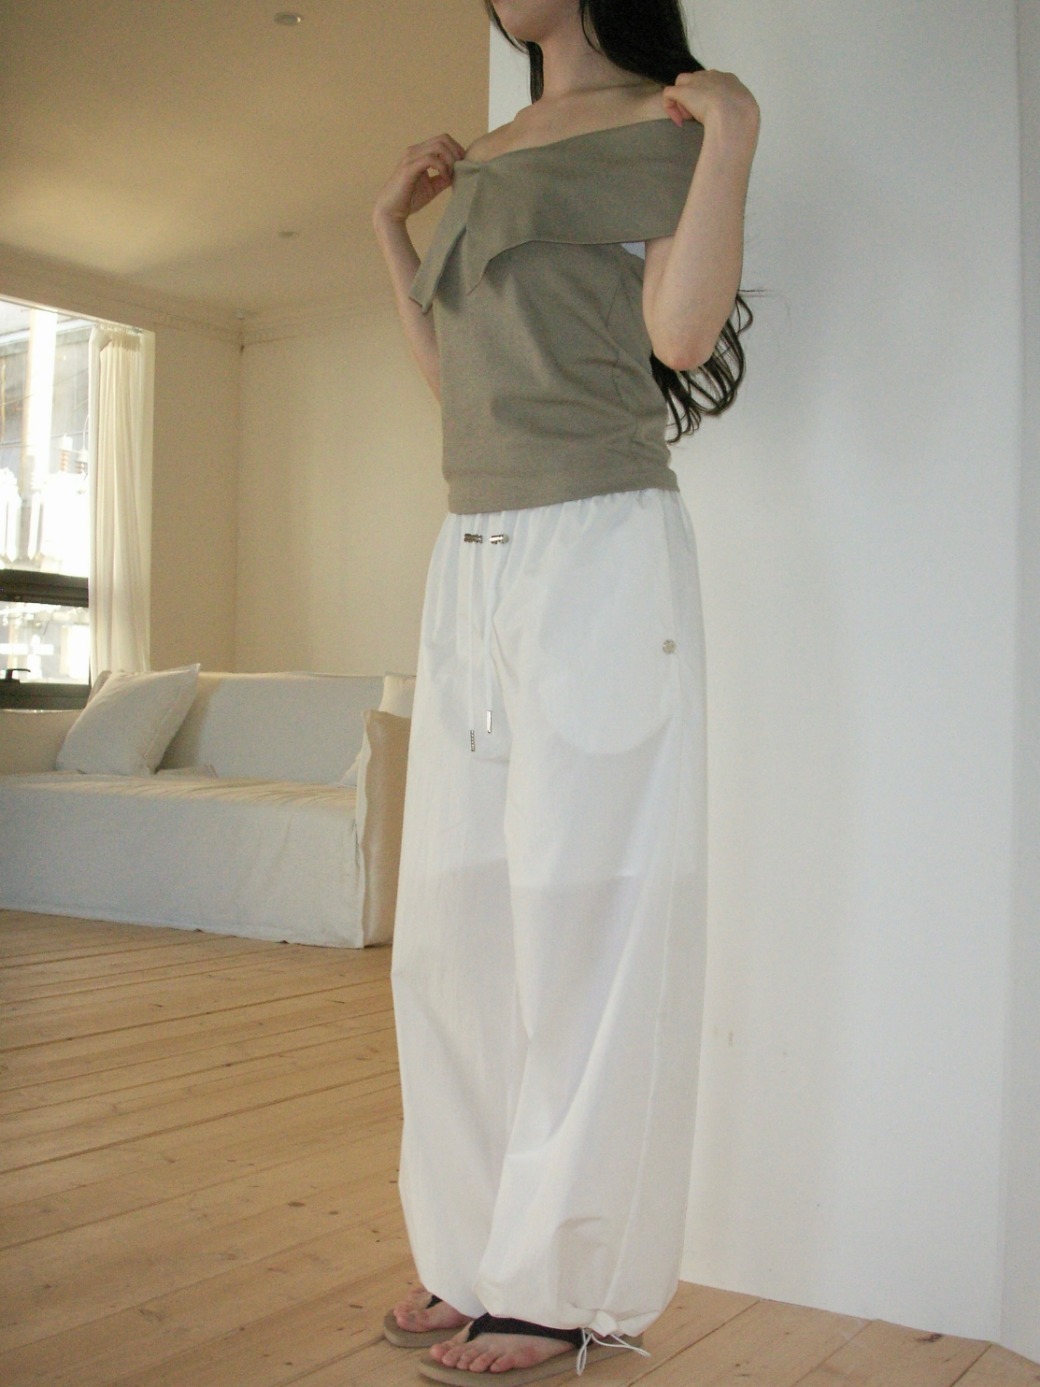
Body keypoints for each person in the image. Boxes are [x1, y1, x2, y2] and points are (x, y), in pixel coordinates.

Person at [371, 2, 759, 1381]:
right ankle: (469, 1253)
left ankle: (560, 1285)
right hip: (469, 555)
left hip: (600, 549)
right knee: (453, 931)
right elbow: (456, 386)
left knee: (584, 925)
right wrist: (388, 232)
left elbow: (679, 333)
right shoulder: (484, 155)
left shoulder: (666, 121)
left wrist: (735, 137)